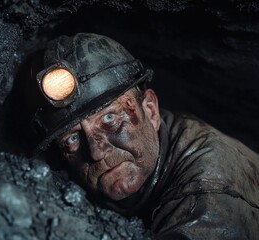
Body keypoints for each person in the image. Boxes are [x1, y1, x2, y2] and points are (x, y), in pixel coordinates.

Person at [28, 33, 259, 239]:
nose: (97, 152)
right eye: (73, 138)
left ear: (150, 109)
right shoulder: (158, 141)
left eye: (109, 119)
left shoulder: (210, 193)